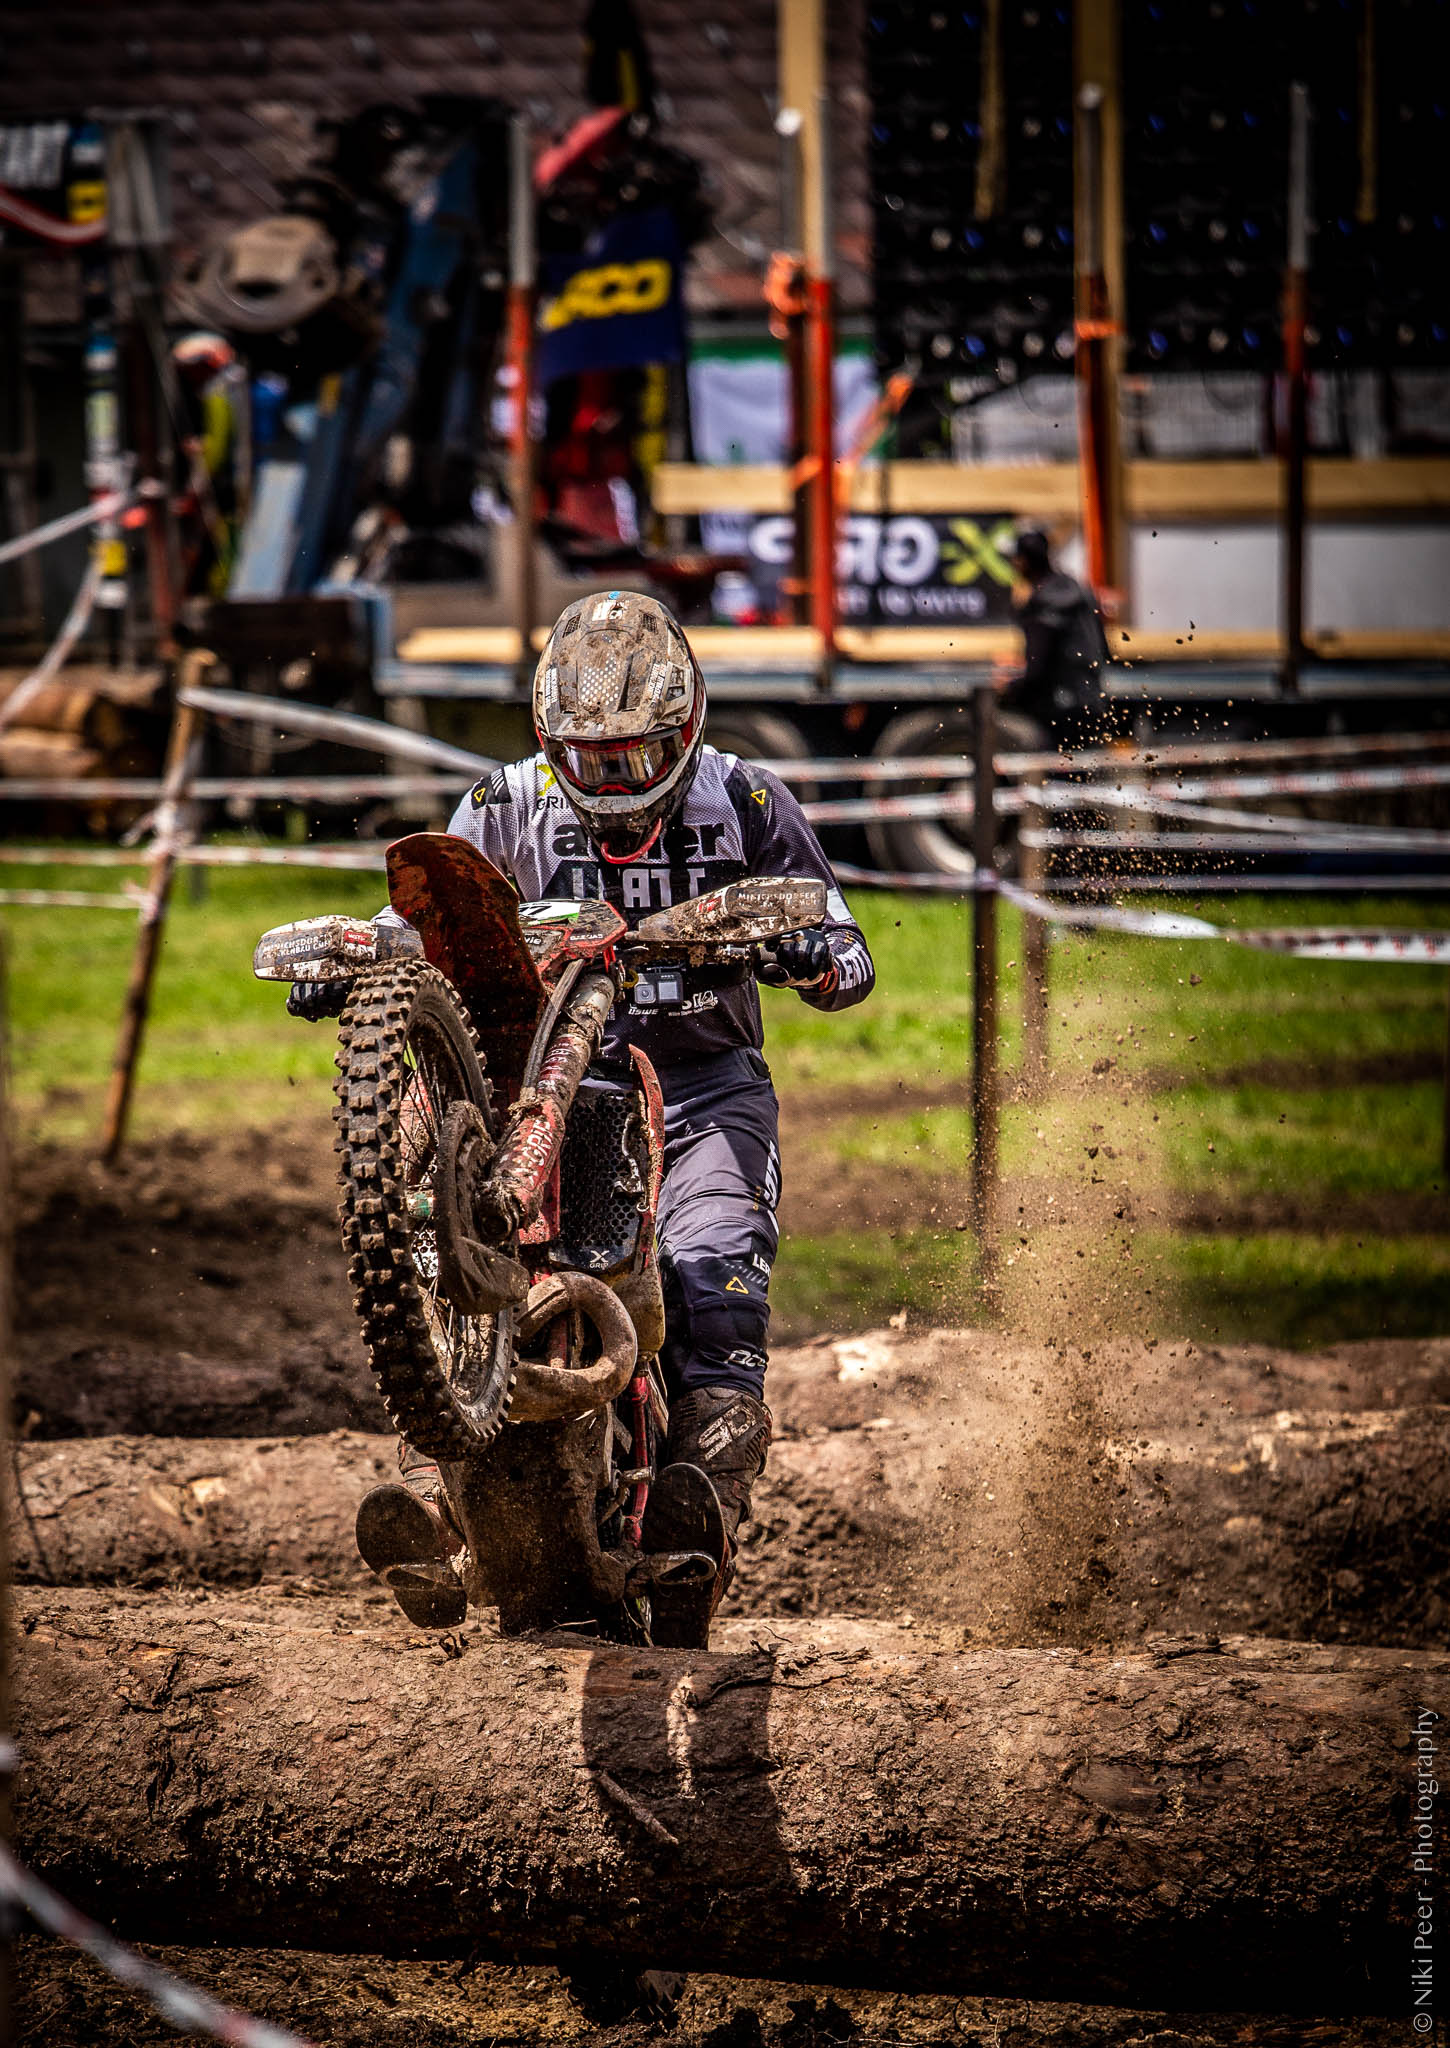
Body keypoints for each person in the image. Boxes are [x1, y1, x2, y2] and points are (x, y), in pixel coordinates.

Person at [289, 590, 875, 1644]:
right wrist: (352, 964)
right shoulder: (502, 805)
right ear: (548, 740)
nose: (613, 781)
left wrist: (807, 952)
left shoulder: (745, 802)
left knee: (716, 1281)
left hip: (699, 1087)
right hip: (532, 1087)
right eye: (591, 759)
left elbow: (847, 950)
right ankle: (431, 1488)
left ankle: (697, 1519)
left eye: (635, 758)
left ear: (684, 728)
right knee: (433, 1237)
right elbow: (415, 918)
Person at [999, 526, 1115, 747]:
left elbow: (1038, 668)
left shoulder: (1045, 602)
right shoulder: (1076, 589)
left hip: (1060, 706)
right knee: (1086, 773)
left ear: (1023, 561)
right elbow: (1103, 647)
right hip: (1090, 697)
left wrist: (1011, 689)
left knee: (1061, 775)